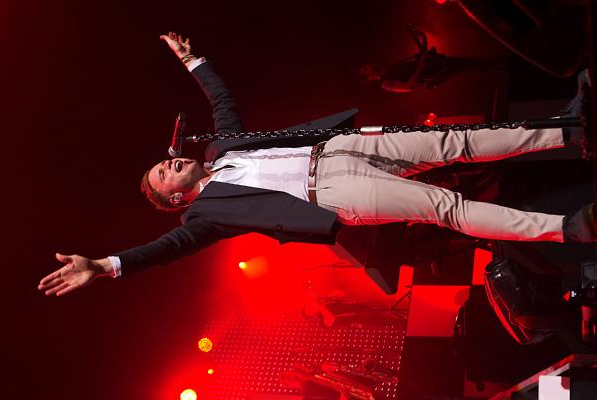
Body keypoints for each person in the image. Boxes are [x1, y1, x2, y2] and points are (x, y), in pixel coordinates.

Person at [38, 32, 594, 297]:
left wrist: (194, 61)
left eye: (162, 163)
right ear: (177, 198)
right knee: (444, 207)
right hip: (333, 195)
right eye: (164, 176)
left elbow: (223, 104)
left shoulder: (219, 150)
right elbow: (166, 250)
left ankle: (568, 130)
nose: (170, 164)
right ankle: (565, 229)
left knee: (457, 142)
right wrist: (105, 265)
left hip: (339, 147)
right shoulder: (205, 217)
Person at [359, 24, 508, 93]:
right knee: (471, 65)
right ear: (369, 78)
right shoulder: (386, 83)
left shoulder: (390, 69)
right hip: (438, 73)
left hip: (439, 66)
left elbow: (417, 63)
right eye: (365, 69)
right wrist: (422, 64)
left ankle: (503, 66)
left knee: (472, 64)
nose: (368, 65)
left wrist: (424, 48)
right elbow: (408, 87)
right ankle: (505, 65)